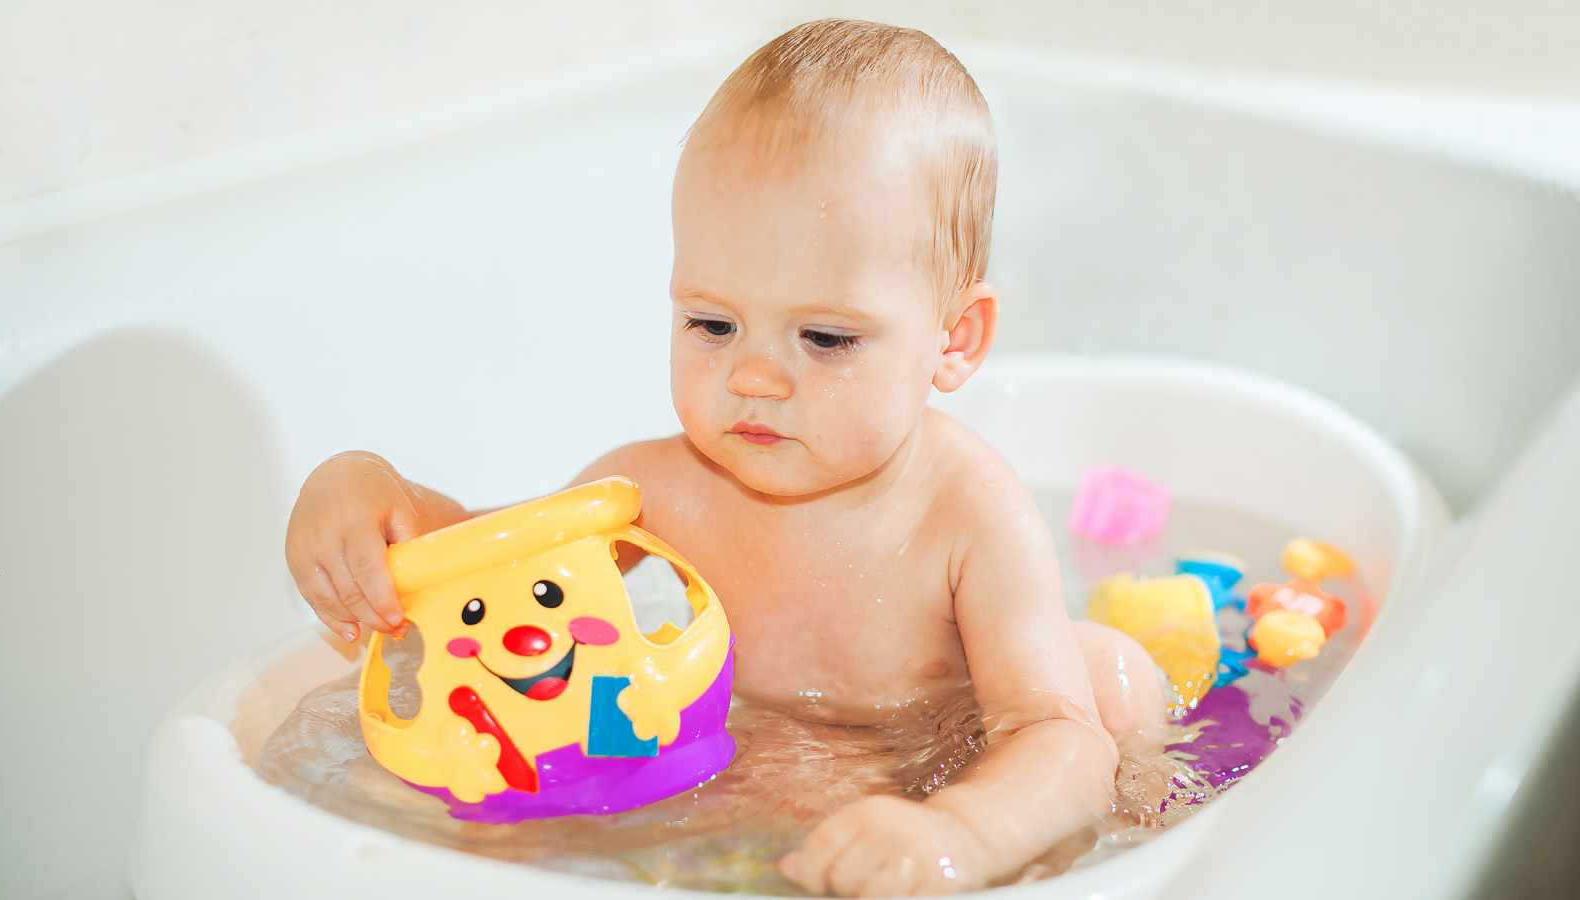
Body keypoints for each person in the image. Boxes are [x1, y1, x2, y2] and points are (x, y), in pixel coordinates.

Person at [285, 19, 1164, 896]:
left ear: (954, 340)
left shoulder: (965, 512)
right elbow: (487, 562)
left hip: (924, 765)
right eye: (712, 324)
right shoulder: (658, 489)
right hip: (746, 761)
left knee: (1110, 692)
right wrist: (373, 499)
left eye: (823, 338)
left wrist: (960, 834)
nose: (753, 376)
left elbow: (1055, 735)